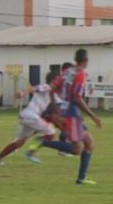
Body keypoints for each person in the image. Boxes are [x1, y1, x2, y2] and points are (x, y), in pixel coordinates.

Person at [28, 49, 103, 185]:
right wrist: (93, 116)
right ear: (85, 60)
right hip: (71, 112)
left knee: (88, 143)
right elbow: (77, 97)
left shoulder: (66, 72)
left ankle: (81, 178)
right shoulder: (80, 74)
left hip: (63, 111)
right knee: (77, 149)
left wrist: (54, 105)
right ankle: (41, 142)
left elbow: (52, 88)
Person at [0, 73, 60, 165]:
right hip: (30, 115)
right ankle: (31, 151)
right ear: (54, 80)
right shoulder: (47, 87)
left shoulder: (54, 94)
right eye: (59, 79)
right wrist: (23, 93)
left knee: (19, 142)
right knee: (51, 132)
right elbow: (34, 88)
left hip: (26, 116)